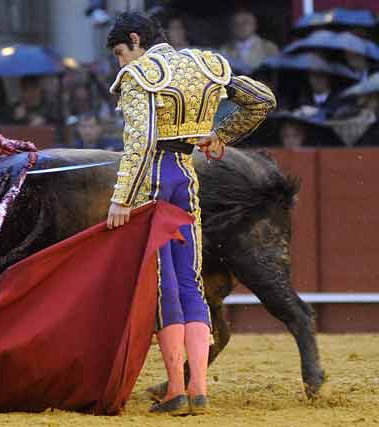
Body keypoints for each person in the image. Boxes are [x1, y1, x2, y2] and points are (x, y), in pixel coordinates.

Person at [105, 12, 276, 415]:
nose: (120, 62)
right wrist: (221, 135)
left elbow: (143, 141)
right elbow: (262, 100)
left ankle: (176, 391)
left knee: (165, 285)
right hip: (186, 174)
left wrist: (122, 197)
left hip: (153, 180)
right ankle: (199, 389)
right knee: (189, 281)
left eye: (119, 52)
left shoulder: (138, 74)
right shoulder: (205, 64)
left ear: (135, 39)